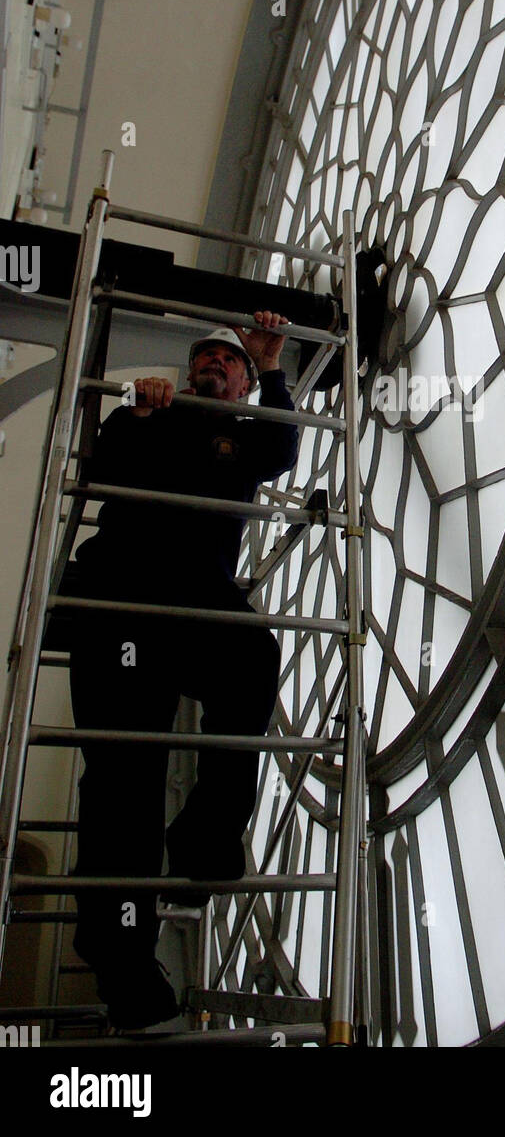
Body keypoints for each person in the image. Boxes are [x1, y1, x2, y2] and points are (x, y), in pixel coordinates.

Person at [66, 310, 298, 1029]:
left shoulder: (243, 435)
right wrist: (135, 414)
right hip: (123, 604)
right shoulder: (145, 419)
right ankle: (123, 960)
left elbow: (282, 448)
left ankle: (205, 834)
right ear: (183, 371)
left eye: (227, 363)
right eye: (204, 357)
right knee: (124, 777)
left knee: (254, 657)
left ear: (240, 383)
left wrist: (272, 369)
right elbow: (101, 469)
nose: (214, 366)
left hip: (193, 606)